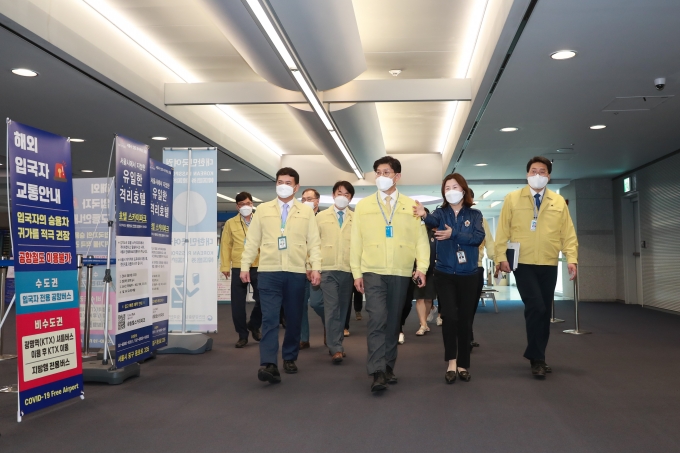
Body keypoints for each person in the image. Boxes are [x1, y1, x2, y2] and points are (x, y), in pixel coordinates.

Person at [351, 156, 429, 392]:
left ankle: (388, 366)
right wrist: (357, 272)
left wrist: (422, 267)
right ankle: (376, 370)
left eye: (386, 172)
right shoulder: (363, 206)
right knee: (377, 318)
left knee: (394, 321)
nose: (381, 177)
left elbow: (421, 240)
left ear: (397, 176)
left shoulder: (411, 205)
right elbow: (356, 242)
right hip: (373, 270)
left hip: (400, 270)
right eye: (378, 172)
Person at [495, 156, 578, 378]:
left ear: (549, 176)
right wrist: (500, 257)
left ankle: (538, 355)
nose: (538, 175)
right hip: (522, 262)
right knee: (537, 307)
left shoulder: (557, 201)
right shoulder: (512, 199)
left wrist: (572, 258)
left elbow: (567, 232)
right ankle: (537, 358)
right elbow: (502, 230)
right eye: (534, 171)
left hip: (549, 262)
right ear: (527, 174)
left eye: (542, 171)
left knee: (542, 311)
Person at [241, 167, 322, 384]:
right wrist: (245, 266)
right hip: (268, 271)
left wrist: (316, 267)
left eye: (287, 182)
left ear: (296, 187)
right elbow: (252, 241)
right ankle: (268, 363)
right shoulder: (264, 210)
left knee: (294, 317)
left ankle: (289, 356)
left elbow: (314, 242)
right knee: (269, 318)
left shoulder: (306, 212)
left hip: (296, 272)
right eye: (279, 182)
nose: (282, 185)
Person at [414, 173, 484, 384]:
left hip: (469, 275)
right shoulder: (440, 213)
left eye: (455, 187)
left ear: (463, 190)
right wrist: (424, 213)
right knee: (450, 318)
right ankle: (451, 362)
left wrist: (454, 234)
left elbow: (478, 238)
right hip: (444, 274)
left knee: (465, 319)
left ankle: (463, 363)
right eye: (447, 188)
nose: (451, 190)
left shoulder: (475, 214)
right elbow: (432, 219)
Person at [317, 181, 355, 363]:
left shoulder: (356, 219)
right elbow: (313, 244)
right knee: (332, 308)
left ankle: (336, 342)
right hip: (327, 268)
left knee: (342, 309)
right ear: (333, 195)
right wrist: (313, 266)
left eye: (347, 194)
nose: (342, 196)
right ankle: (336, 348)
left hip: (347, 269)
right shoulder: (321, 217)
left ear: (351, 198)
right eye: (339, 193)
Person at [220, 192, 262, 348]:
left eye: (249, 203)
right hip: (238, 266)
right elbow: (226, 245)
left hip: (258, 264)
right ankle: (242, 335)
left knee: (263, 299)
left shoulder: (260, 220)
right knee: (237, 304)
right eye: (243, 204)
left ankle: (254, 323)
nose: (247, 206)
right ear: (237, 207)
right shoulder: (231, 223)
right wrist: (225, 265)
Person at [299, 188, 324, 349]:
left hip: (318, 268)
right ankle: (303, 338)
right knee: (299, 305)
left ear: (317, 201)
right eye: (303, 199)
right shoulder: (298, 218)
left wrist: (316, 266)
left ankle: (330, 325)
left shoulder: (323, 219)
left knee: (317, 303)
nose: (306, 201)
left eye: (309, 198)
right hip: (300, 267)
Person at [469, 189, 495, 349]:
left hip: (476, 267)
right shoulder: (448, 218)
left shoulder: (480, 219)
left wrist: (497, 260)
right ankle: (462, 335)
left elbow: (489, 241)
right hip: (454, 270)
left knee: (471, 305)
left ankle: (467, 333)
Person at [414, 208, 437, 337]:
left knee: (429, 298)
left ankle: (426, 320)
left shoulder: (434, 234)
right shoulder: (414, 233)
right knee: (419, 297)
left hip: (432, 270)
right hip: (418, 270)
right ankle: (422, 324)